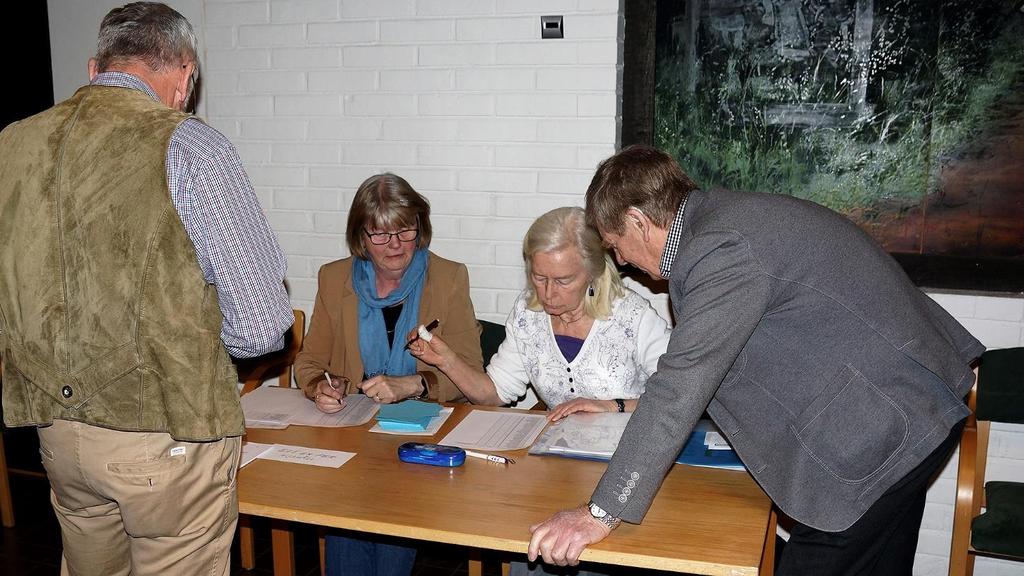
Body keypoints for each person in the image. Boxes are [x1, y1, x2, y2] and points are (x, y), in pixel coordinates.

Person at [527, 145, 984, 576]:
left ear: (639, 220)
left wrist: (601, 512)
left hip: (881, 428)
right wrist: (622, 405)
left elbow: (683, 383)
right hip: (910, 404)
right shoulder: (725, 220)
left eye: (615, 244)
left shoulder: (719, 249)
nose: (621, 260)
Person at [0, 3, 293, 575]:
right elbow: (260, 326)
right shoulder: (190, 146)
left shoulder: (12, 144)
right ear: (186, 77)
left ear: (94, 68)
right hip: (167, 432)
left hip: (57, 434)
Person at [294, 172, 483, 576]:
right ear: (361, 237)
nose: (395, 245)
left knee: (388, 511)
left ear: (421, 229)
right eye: (380, 234)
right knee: (350, 512)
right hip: (352, 434)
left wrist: (414, 383)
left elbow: (471, 373)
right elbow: (308, 362)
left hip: (419, 435)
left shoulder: (448, 278)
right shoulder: (334, 278)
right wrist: (321, 387)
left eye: (405, 231)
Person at [411, 206, 671, 421]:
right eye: (539, 277)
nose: (547, 293)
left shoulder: (631, 317)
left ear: (593, 272)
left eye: (563, 280)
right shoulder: (528, 314)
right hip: (559, 454)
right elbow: (494, 393)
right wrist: (447, 361)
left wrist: (613, 406)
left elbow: (680, 394)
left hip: (629, 451)